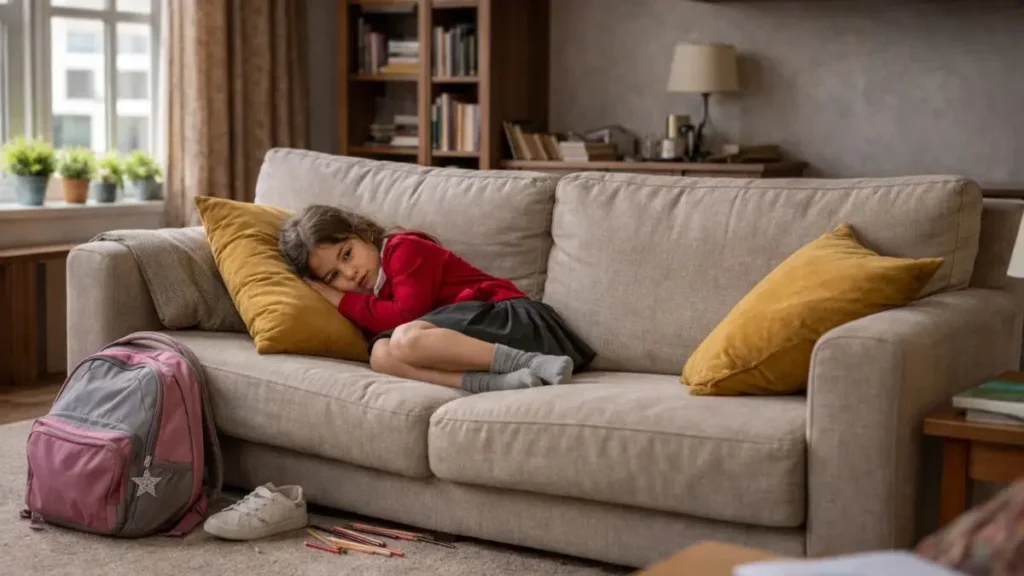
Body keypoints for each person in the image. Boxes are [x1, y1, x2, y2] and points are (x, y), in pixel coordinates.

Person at [278, 204, 595, 393]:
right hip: (475, 342)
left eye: (347, 254)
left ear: (361, 232)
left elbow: (406, 315)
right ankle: (496, 383)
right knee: (381, 355)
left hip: (513, 320)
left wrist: (342, 301)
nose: (350, 273)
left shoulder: (403, 249)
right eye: (334, 276)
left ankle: (533, 362)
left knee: (403, 338)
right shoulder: (373, 298)